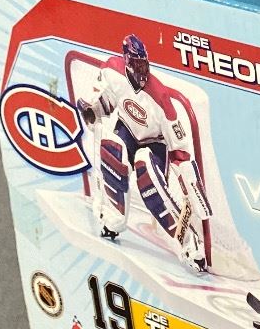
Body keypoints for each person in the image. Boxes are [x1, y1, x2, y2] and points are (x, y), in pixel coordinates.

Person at [78, 33, 211, 272]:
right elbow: (108, 103)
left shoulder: (161, 98)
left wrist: (189, 184)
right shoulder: (111, 70)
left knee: (148, 178)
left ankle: (191, 247)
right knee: (113, 151)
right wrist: (94, 110)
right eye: (136, 64)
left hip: (154, 143)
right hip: (127, 130)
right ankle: (114, 221)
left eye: (144, 64)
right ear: (127, 60)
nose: (141, 71)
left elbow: (180, 152)